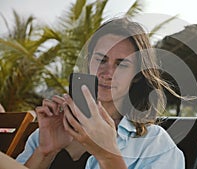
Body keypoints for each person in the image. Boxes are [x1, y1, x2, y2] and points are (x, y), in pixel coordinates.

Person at [17, 17, 185, 169]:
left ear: (137, 75)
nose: (107, 72)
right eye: (101, 59)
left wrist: (108, 155)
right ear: (89, 61)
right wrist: (45, 153)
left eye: (122, 64)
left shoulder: (155, 145)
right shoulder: (48, 131)